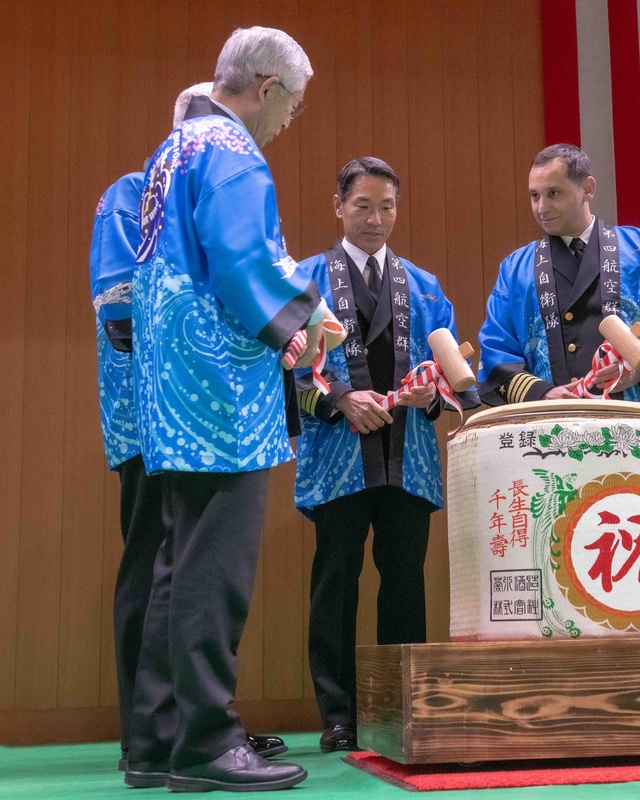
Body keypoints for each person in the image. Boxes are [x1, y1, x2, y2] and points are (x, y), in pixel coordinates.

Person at [125, 28, 327, 792]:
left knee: (177, 564)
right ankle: (208, 742)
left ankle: (157, 738)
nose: (288, 123)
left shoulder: (171, 151)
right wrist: (304, 322)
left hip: (171, 384)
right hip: (221, 389)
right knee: (215, 568)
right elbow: (244, 264)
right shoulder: (234, 154)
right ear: (267, 87)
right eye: (294, 107)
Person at [89, 81, 287, 775]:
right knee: (158, 564)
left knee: (174, 563)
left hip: (177, 403)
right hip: (158, 412)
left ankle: (164, 734)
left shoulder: (180, 187)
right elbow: (121, 314)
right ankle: (156, 732)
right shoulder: (137, 191)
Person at [294, 157, 477, 753]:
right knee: (336, 583)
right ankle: (339, 714)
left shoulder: (423, 285)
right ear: (338, 206)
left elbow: (457, 379)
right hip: (339, 456)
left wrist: (431, 395)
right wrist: (342, 399)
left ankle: (400, 707)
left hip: (408, 456)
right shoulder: (305, 281)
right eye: (364, 206)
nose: (376, 219)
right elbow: (286, 368)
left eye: (388, 207)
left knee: (405, 583)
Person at [478, 143, 640, 409]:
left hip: (638, 424)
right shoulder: (514, 269)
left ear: (588, 189)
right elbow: (496, 352)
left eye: (553, 193)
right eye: (534, 196)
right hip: (552, 428)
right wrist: (541, 394)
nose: (541, 208)